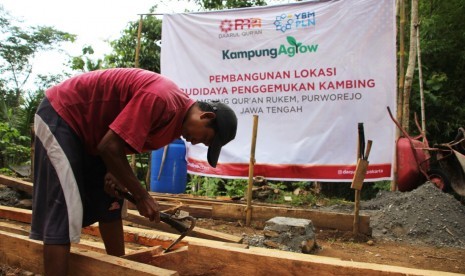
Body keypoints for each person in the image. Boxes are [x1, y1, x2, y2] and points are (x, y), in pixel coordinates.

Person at [30, 68, 238, 276]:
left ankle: (120, 269)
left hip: (95, 136)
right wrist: (142, 196)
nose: (197, 142)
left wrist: (115, 173)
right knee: (64, 212)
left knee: (111, 202)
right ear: (206, 116)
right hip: (63, 114)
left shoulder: (175, 126)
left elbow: (117, 143)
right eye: (206, 138)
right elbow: (109, 147)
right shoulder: (162, 98)